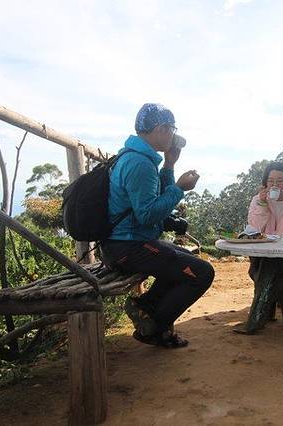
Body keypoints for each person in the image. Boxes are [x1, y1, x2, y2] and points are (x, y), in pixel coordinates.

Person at [100, 103, 215, 348]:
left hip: (128, 243)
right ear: (162, 129)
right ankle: (152, 328)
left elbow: (157, 196)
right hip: (128, 247)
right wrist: (180, 189)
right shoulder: (139, 163)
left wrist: (169, 165)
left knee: (185, 258)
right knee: (203, 273)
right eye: (172, 129)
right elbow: (148, 215)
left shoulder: (138, 157)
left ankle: (145, 306)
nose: (173, 135)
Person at [234, 161, 283, 334]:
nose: (275, 185)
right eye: (271, 181)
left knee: (279, 268)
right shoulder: (257, 200)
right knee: (278, 268)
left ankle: (260, 318)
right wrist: (262, 204)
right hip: (261, 252)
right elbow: (253, 228)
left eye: (280, 181)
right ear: (265, 182)